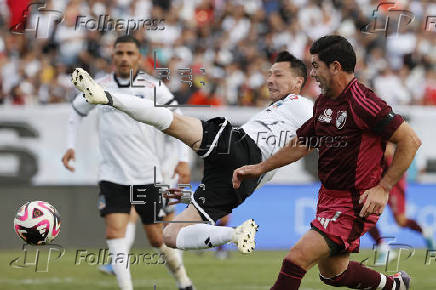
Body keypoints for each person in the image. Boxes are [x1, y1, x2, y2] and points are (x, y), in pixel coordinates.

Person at [70, 51, 314, 254]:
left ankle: (108, 98)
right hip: (243, 180)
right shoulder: (282, 108)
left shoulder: (303, 105)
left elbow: (317, 137)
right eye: (269, 74)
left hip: (242, 148)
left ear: (298, 83)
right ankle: (236, 233)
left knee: (172, 123)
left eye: (278, 75)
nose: (270, 80)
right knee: (171, 235)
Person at [232, 35, 420, 290]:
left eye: (316, 66)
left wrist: (383, 187)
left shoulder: (363, 102)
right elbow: (302, 143)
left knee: (295, 260)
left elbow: (410, 140)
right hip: (328, 198)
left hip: (355, 202)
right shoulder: (323, 102)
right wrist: (261, 167)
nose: (313, 73)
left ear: (335, 67)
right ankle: (395, 286)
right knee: (334, 274)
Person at [62, 35, 193, 290]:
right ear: (112, 56)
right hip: (112, 175)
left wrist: (183, 160)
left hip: (148, 175)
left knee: (157, 238)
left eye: (129, 53)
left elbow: (180, 121)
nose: (124, 58)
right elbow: (76, 113)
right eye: (119, 53)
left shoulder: (153, 88)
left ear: (139, 58)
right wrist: (69, 145)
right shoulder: (98, 86)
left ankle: (183, 280)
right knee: (114, 233)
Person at [368, 142, 434, 265]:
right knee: (364, 217)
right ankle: (384, 249)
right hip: (377, 184)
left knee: (401, 221)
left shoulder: (384, 137)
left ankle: (426, 232)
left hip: (393, 184)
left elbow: (388, 151)